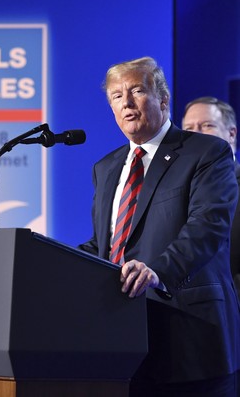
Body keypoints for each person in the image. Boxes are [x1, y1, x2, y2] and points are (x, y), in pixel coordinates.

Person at [79, 57, 240, 396]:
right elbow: (103, 246)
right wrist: (48, 260)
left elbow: (206, 227)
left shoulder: (206, 153)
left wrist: (157, 271)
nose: (126, 102)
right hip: (122, 343)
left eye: (137, 90)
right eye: (116, 96)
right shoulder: (106, 167)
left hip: (190, 341)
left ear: (163, 100)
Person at [182, 96, 240, 302]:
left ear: (231, 134)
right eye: (189, 128)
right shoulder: (175, 190)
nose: (196, 133)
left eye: (207, 125)